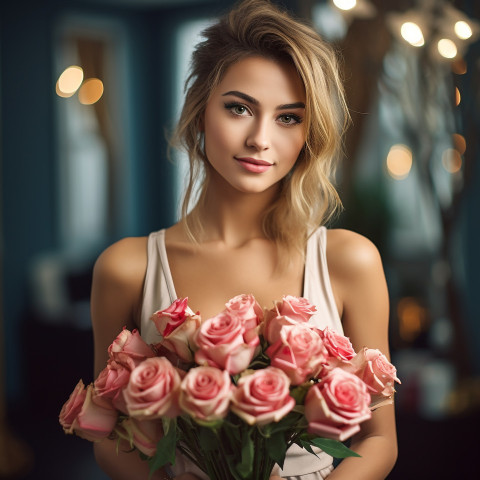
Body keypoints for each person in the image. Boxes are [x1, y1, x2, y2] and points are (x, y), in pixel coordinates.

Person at [91, 0, 398, 478]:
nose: (260, 138)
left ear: (307, 136)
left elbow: (379, 438)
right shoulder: (127, 268)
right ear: (199, 111)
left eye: (288, 118)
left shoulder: (349, 260)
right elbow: (108, 433)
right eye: (239, 108)